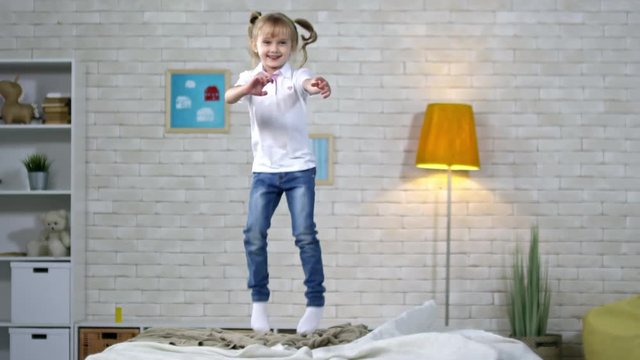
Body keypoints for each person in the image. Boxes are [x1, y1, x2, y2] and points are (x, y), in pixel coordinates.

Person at [225, 11, 332, 334]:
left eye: (282, 42)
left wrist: (317, 84)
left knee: (305, 235)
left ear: (293, 46)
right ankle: (259, 305)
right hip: (265, 173)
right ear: (255, 44)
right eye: (268, 42)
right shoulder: (249, 76)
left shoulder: (296, 76)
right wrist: (248, 89)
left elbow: (308, 84)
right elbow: (229, 97)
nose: (274, 48)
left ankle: (315, 304)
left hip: (299, 170)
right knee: (253, 235)